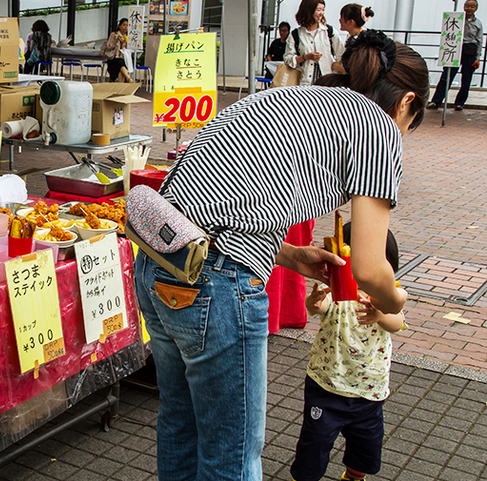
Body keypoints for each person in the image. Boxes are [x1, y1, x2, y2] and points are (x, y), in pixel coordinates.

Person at [134, 29, 427, 481]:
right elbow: (369, 268)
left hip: (161, 260)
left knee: (182, 423)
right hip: (217, 285)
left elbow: (222, 195)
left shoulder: (304, 99)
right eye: (411, 124)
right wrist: (396, 303)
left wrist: (287, 254)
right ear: (406, 103)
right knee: (231, 452)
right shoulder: (380, 126)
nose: (404, 134)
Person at [291, 223, 405, 481]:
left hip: (369, 391)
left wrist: (380, 314)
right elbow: (318, 308)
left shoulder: (388, 295)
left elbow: (397, 322)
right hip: (327, 386)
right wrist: (315, 301)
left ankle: (354, 476)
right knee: (314, 443)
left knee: (366, 445)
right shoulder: (338, 290)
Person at [427, 0, 483, 112]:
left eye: (472, 6)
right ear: (463, 7)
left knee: (466, 79)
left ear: (476, 8)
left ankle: (460, 103)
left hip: (470, 51)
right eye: (467, 6)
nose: (469, 8)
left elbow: (480, 41)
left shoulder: (478, 23)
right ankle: (436, 101)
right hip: (455, 48)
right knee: (446, 76)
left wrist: (478, 58)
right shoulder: (457, 20)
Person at [284, 0, 345, 86]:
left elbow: (341, 54)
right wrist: (305, 57)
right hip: (305, 82)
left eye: (323, 9)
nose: (321, 13)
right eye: (318, 10)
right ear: (309, 11)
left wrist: (335, 67)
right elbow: (288, 59)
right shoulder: (296, 34)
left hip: (326, 82)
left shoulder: (329, 31)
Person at [103, 18, 133, 83]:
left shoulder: (128, 36)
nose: (126, 27)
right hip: (113, 58)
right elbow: (109, 47)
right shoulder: (114, 34)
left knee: (121, 70)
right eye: (124, 25)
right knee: (120, 63)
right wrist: (116, 41)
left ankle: (122, 86)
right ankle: (128, 78)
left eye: (127, 25)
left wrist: (127, 43)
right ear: (119, 26)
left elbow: (129, 50)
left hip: (123, 58)